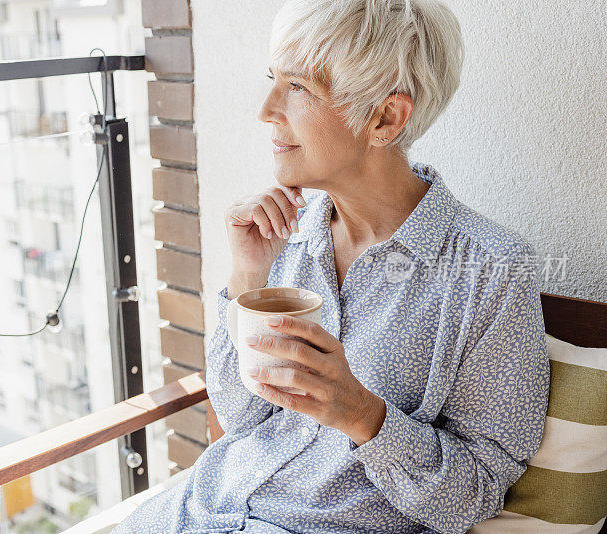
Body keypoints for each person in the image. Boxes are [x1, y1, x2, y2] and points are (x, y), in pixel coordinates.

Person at [113, 0, 549, 532]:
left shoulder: (492, 273)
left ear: (385, 119)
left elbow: (477, 490)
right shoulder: (287, 236)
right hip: (200, 508)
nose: (266, 108)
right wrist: (247, 277)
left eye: (298, 88)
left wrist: (363, 415)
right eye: (274, 79)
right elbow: (241, 417)